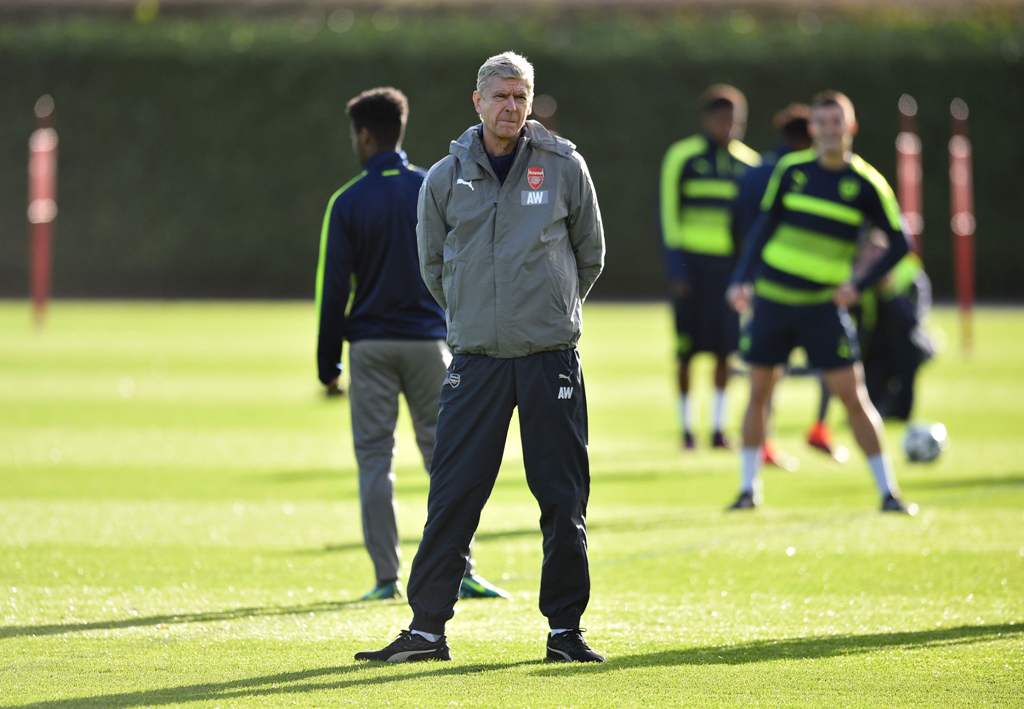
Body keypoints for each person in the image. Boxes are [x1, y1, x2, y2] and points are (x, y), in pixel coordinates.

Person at [355, 51, 606, 664]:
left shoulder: (565, 165)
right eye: (500, 95)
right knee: (453, 493)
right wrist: (476, 319)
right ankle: (426, 631)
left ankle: (564, 632)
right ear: (477, 100)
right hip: (476, 359)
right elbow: (433, 266)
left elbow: (590, 253)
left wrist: (550, 311)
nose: (510, 107)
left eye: (520, 96)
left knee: (562, 497)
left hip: (550, 357)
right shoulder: (444, 177)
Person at [315, 86, 507, 603]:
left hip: (372, 347)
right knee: (446, 461)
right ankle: (461, 569)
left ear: (363, 134)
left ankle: (386, 578)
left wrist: (327, 362)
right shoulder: (434, 187)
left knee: (376, 461)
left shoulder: (348, 200)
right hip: (432, 343)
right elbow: (465, 264)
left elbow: (333, 289)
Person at [726, 90, 918, 515]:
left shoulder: (867, 183)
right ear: (811, 128)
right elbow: (763, 228)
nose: (830, 130)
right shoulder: (791, 171)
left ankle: (889, 492)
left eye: (837, 122)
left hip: (821, 307)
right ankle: (747, 490)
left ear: (850, 128)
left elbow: (900, 242)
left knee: (853, 395)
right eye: (822, 122)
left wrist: (859, 283)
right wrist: (742, 280)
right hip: (774, 300)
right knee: (760, 391)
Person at [660, 85, 760, 450]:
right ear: (708, 120)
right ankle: (687, 430)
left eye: (736, 122)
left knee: (725, 351)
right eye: (723, 120)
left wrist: (746, 275)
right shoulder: (682, 157)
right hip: (691, 267)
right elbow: (669, 215)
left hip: (729, 271)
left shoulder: (749, 164)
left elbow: (755, 226)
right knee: (686, 352)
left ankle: (718, 429)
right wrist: (677, 268)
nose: (729, 128)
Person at [732, 103, 814, 470]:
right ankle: (762, 444)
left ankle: (762, 442)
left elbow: (738, 226)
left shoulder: (754, 172)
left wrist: (741, 274)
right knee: (770, 373)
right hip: (786, 285)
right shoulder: (797, 174)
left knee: (764, 373)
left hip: (752, 280)